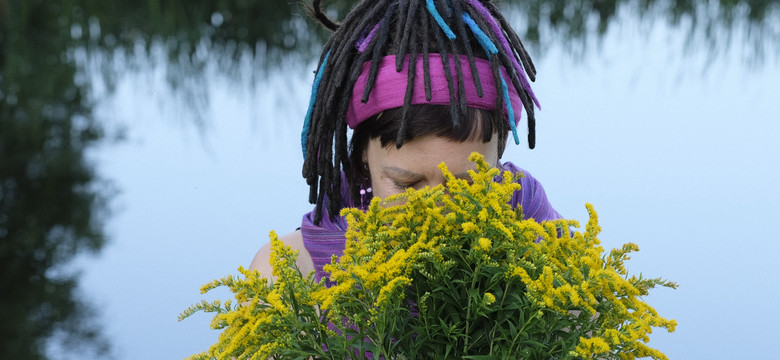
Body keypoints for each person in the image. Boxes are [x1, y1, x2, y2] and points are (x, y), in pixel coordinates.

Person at [250, 0, 561, 282]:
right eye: (406, 184)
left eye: (466, 185)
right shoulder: (287, 274)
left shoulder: (541, 238)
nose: (436, 214)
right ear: (362, 155)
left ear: (499, 153)